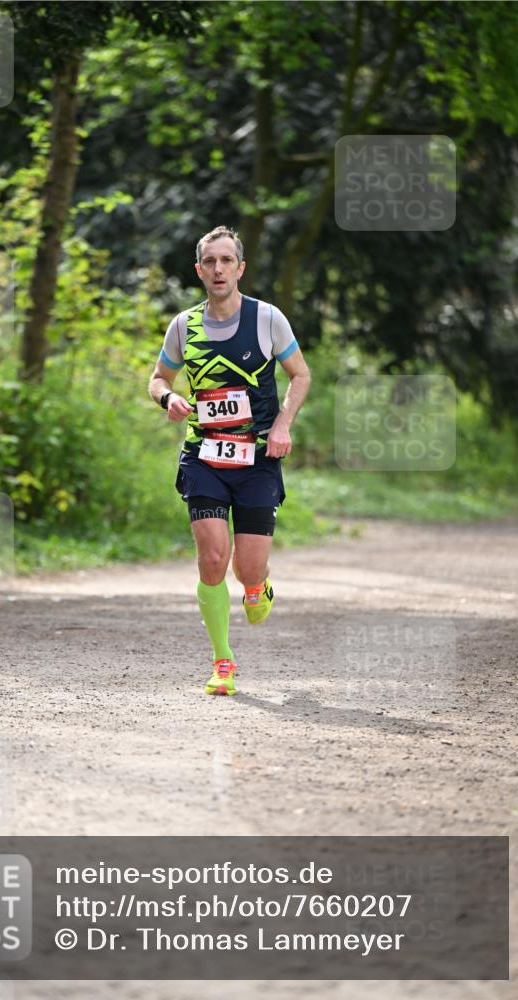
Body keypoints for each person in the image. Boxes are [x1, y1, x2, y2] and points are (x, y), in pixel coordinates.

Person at [148, 226, 310, 696]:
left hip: (257, 457)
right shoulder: (183, 325)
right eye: (210, 262)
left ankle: (258, 587)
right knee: (213, 558)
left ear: (240, 268)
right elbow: (158, 378)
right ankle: (223, 661)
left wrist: (282, 425)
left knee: (248, 568)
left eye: (227, 261)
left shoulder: (267, 319)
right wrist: (167, 399)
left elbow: (300, 375)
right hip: (204, 454)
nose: (218, 269)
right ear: (199, 270)